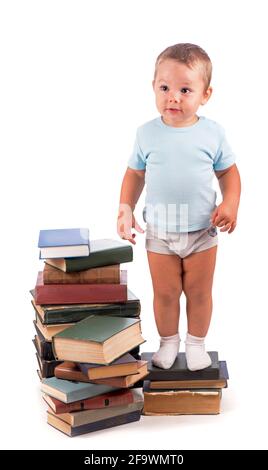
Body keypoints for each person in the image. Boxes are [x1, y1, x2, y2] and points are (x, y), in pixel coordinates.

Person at [117, 43, 241, 370]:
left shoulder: (212, 133)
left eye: (185, 89)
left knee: (199, 293)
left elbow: (229, 173)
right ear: (153, 88)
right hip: (160, 231)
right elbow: (134, 173)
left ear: (205, 94)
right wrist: (126, 207)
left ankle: (197, 344)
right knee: (166, 294)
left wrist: (231, 202)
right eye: (165, 88)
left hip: (202, 230)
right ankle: (169, 342)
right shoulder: (146, 134)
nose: (173, 97)